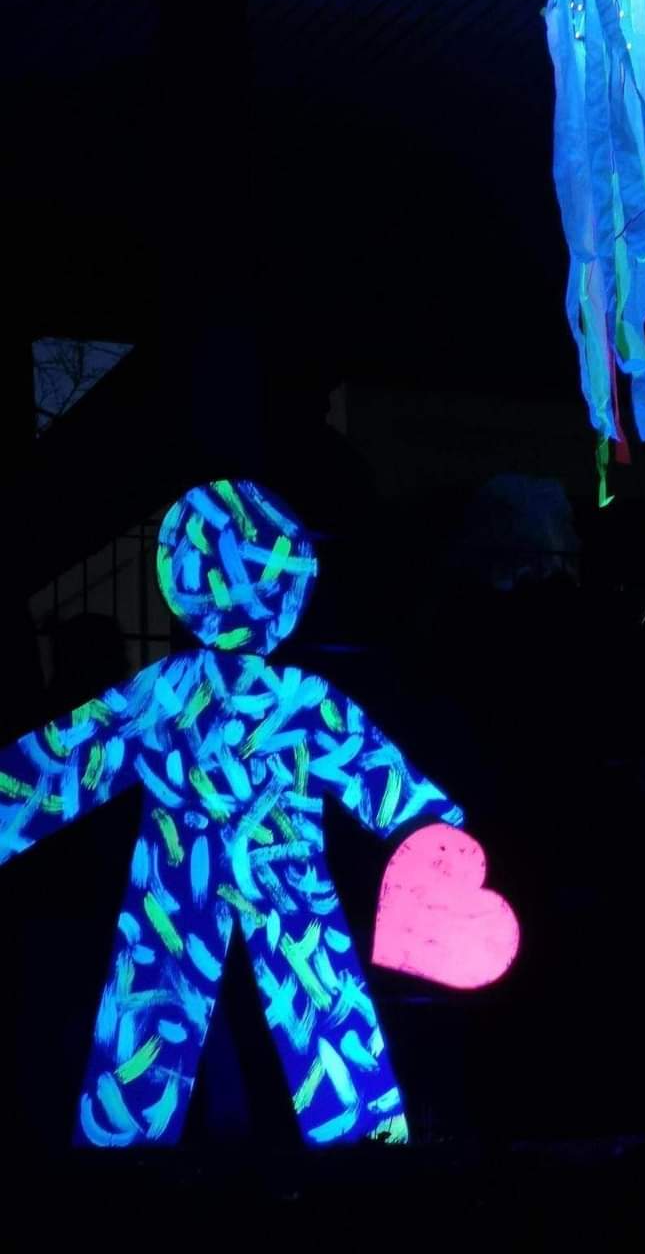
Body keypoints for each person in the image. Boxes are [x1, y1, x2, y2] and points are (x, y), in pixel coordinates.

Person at [0, 479, 468, 1148]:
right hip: (270, 882)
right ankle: (361, 1150)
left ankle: (132, 1160)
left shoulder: (170, 692)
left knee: (159, 1018)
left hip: (189, 880)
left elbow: (56, 766)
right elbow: (388, 785)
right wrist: (437, 836)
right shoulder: (294, 696)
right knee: (316, 1014)